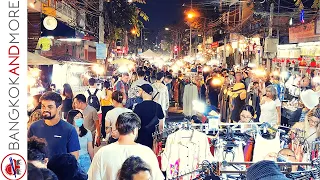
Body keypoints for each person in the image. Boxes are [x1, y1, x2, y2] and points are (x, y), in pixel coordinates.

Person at [88, 112, 164, 180]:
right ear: (135, 130)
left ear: (117, 129)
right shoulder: (146, 152)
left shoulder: (102, 153)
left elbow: (93, 177)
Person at [28, 92, 80, 159]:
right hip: (39, 169)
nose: (45, 110)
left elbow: (74, 159)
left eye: (50, 107)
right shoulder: (34, 127)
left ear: (59, 107)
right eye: (43, 106)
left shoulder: (69, 130)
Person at [134, 84, 164, 149]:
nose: (139, 92)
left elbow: (135, 125)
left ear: (144, 92)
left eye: (140, 90)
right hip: (153, 139)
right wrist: (160, 138)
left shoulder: (137, 107)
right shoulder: (158, 106)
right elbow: (161, 126)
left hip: (140, 139)